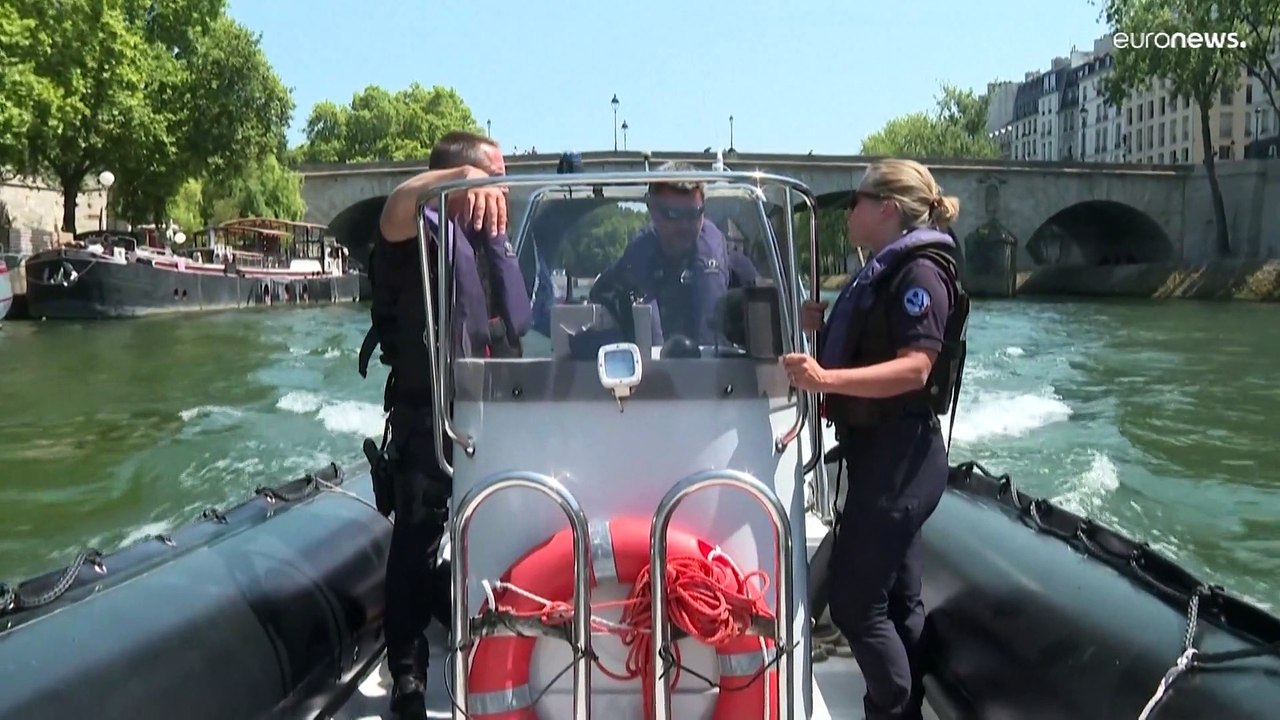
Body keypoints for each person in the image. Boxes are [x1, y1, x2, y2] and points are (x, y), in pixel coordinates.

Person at [782, 158, 969, 720]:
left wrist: (825, 379)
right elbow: (875, 338)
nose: (849, 213)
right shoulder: (886, 272)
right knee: (898, 600)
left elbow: (914, 368)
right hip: (881, 454)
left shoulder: (920, 276)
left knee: (856, 604)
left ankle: (886, 707)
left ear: (887, 208)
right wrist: (821, 326)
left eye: (857, 202)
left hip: (901, 458)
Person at [358, 130, 531, 719]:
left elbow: (521, 317)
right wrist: (458, 183)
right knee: (416, 544)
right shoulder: (416, 233)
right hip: (425, 420)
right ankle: (407, 673)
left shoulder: (485, 240)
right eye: (493, 176)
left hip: (489, 414)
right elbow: (396, 205)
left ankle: (494, 625)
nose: (501, 189)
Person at [589, 161, 760, 346]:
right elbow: (597, 301)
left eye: (693, 214)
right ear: (652, 208)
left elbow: (771, 333)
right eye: (673, 214)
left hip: (715, 374)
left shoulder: (735, 270)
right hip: (650, 373)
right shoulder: (628, 269)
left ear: (704, 208)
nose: (684, 225)